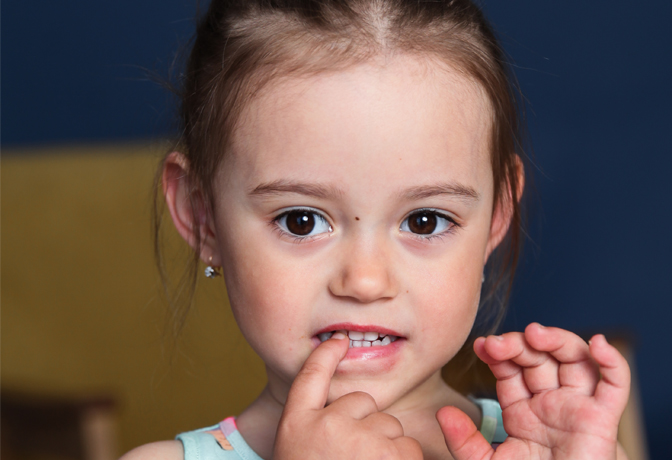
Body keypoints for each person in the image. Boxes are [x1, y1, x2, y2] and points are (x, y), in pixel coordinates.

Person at [123, 0, 631, 458]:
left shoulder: (557, 450)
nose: (365, 282)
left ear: (497, 214)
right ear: (202, 216)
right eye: (301, 221)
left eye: (424, 221)